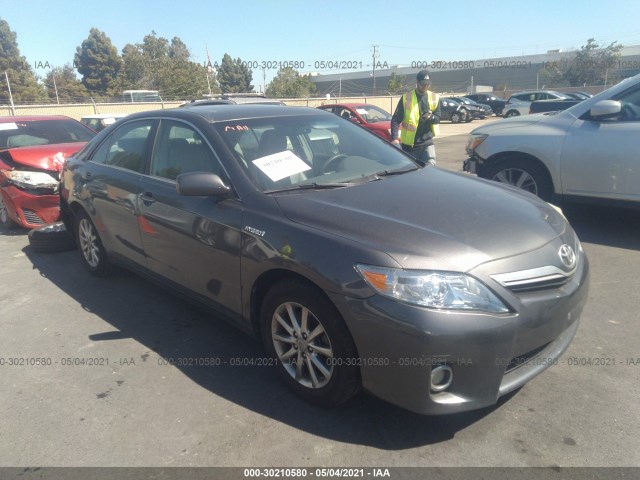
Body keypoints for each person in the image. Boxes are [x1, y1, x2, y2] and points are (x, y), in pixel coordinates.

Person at [390, 70, 441, 166]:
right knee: (410, 173)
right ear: (417, 83)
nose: (425, 87)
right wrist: (394, 139)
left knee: (431, 170)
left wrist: (430, 117)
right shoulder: (406, 98)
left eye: (427, 84)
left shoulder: (434, 97)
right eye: (423, 84)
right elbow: (396, 120)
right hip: (410, 147)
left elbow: (438, 118)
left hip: (427, 143)